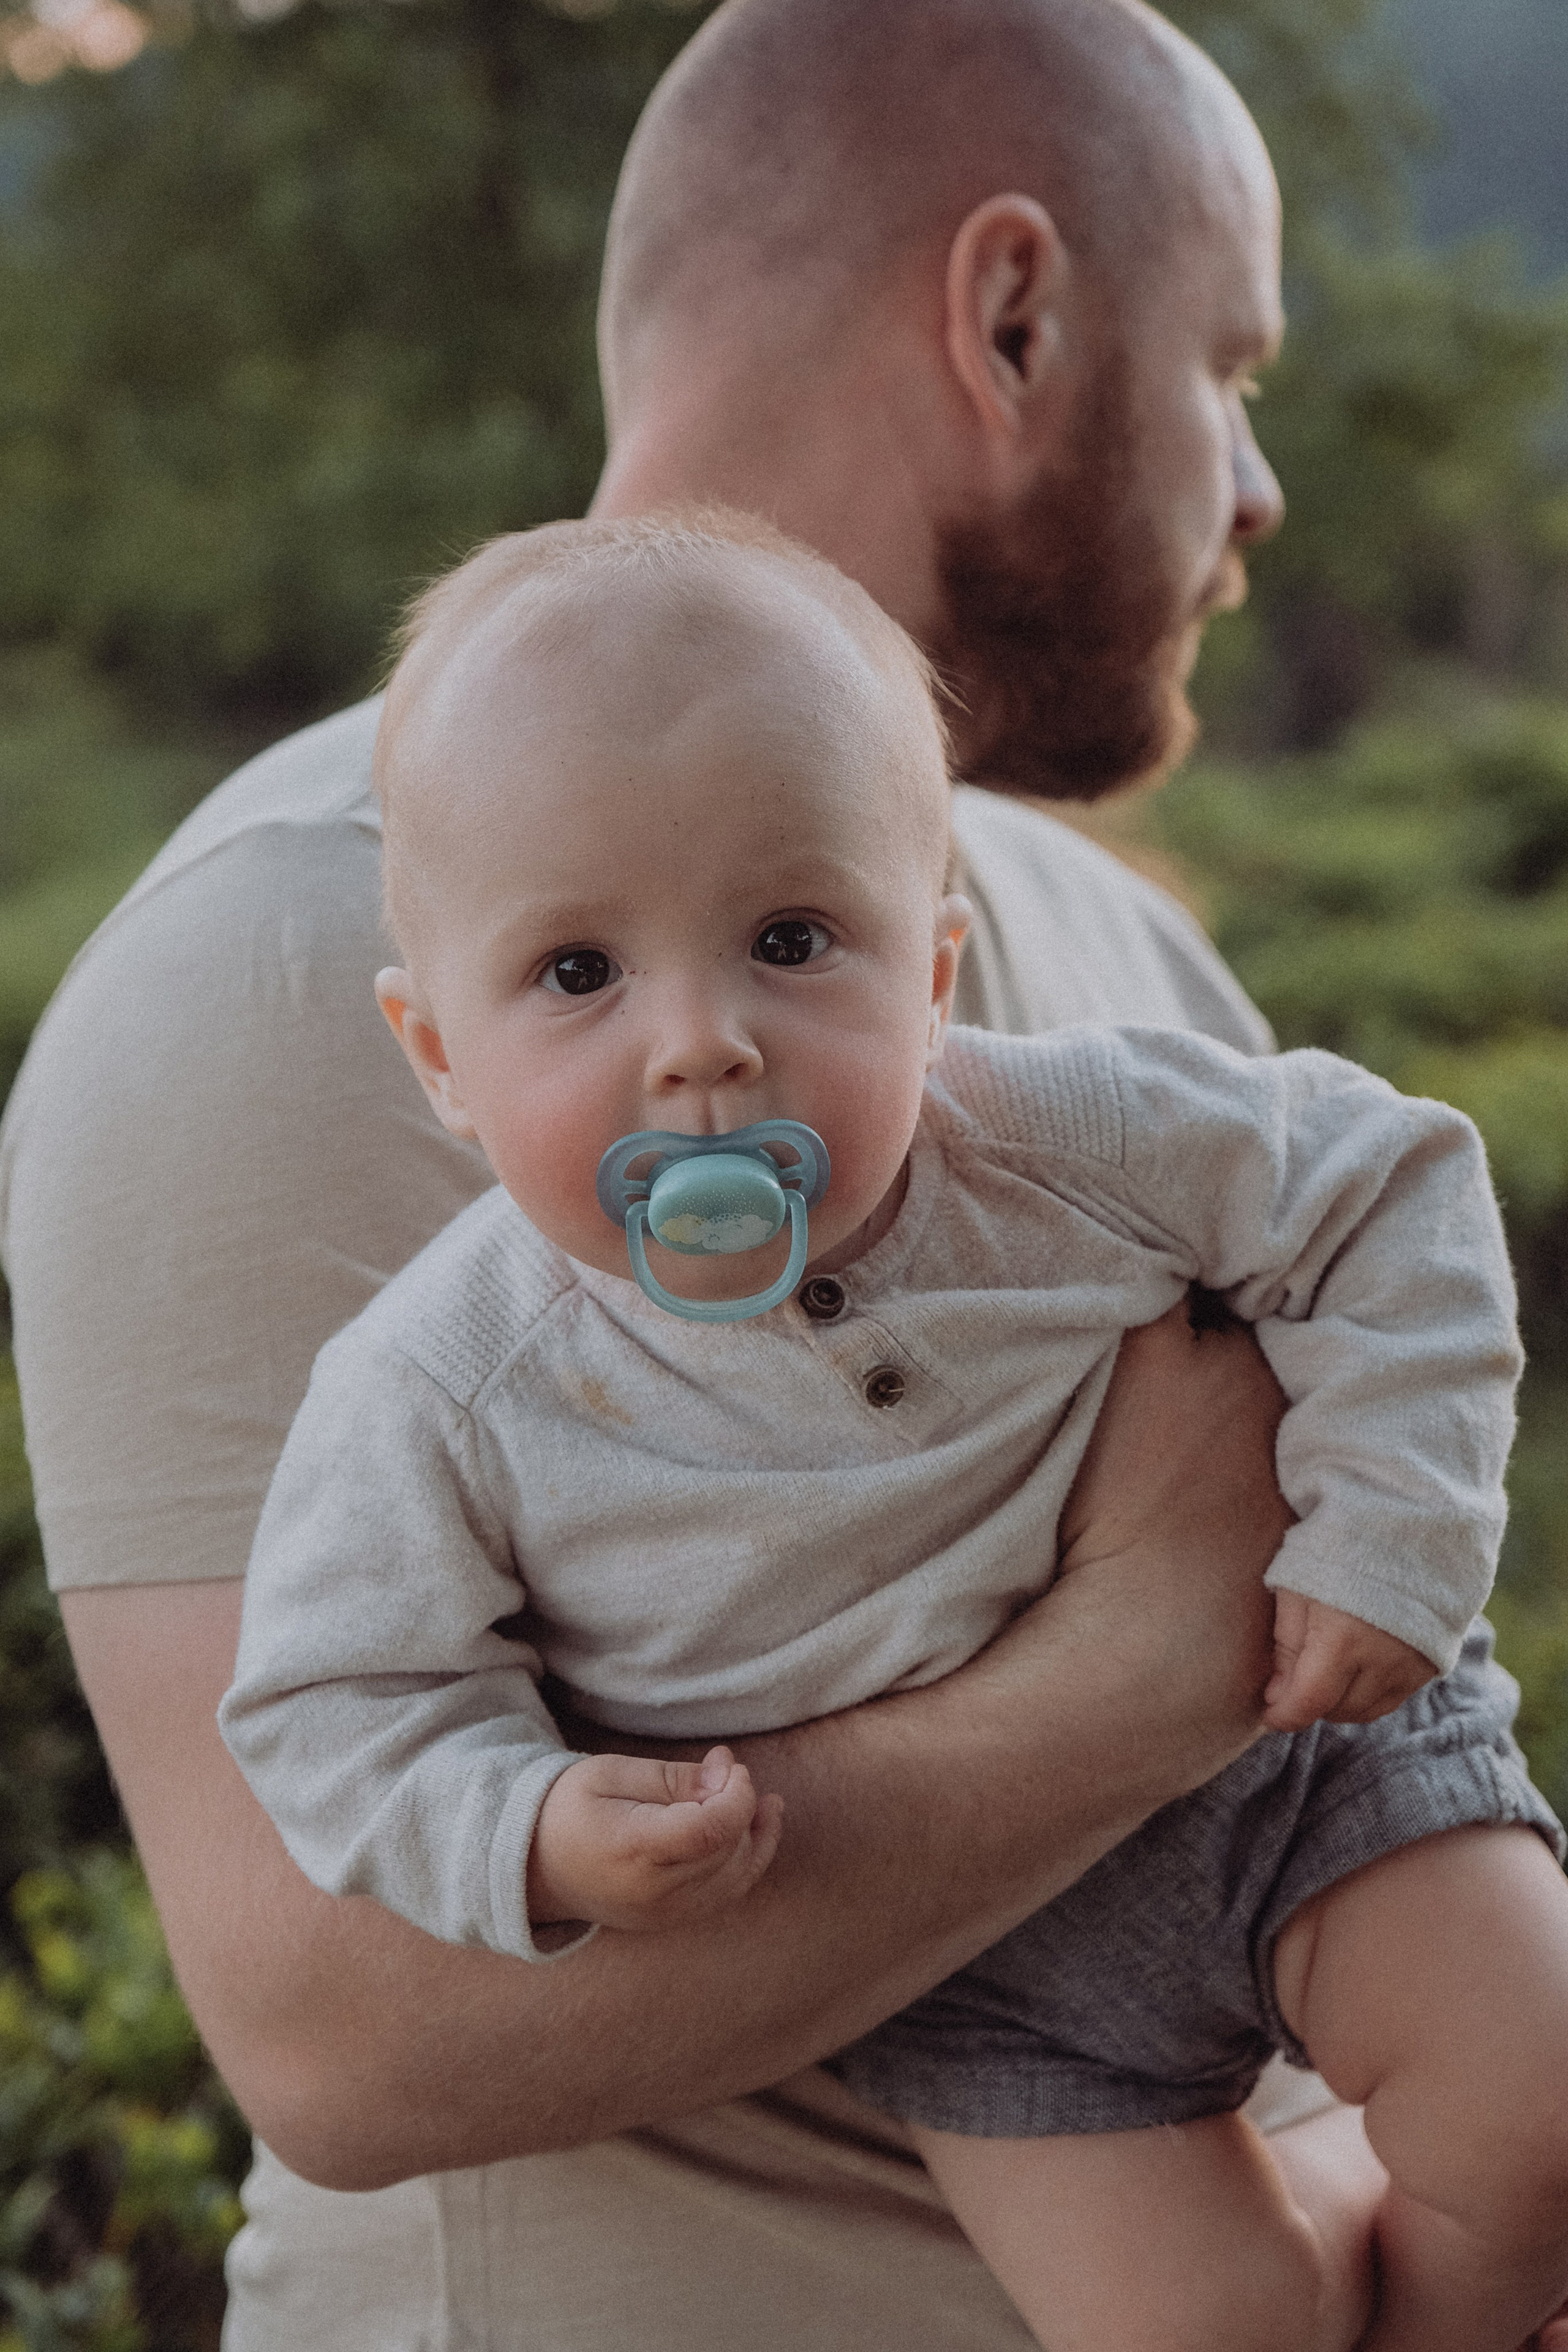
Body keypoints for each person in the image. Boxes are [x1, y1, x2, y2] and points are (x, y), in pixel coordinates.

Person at [4, 0, 1564, 2343]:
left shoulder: (1110, 942)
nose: (1254, 491)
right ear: (1011, 316)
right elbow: (336, 2022)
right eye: (1229, 373)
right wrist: (1147, 1645)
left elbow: (1337, 1733)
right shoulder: (277, 956)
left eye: (808, 942)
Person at [219, 507, 1568, 2352]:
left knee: (1544, 2130)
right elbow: (329, 1699)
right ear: (438, 1052)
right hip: (962, 1949)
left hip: (1302, 1747)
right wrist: (519, 1825)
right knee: (1205, 2332)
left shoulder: (1061, 1142)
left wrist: (1386, 1530)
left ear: (929, 980)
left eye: (791, 940)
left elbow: (1390, 1179)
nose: (703, 1048)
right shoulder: (441, 1390)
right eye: (579, 975)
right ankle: (1348, 2235)